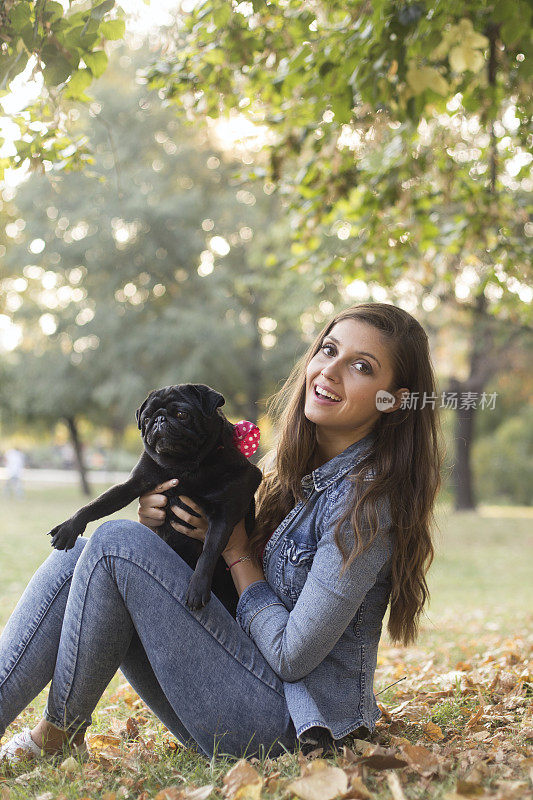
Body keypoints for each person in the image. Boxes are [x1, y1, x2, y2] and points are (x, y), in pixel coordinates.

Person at [0, 302, 443, 763]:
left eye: (361, 366)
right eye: (328, 350)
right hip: (232, 686)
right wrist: (162, 530)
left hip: (288, 726)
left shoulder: (365, 505)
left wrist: (236, 553)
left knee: (113, 545)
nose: (330, 371)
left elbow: (293, 656)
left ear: (392, 399)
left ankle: (56, 734)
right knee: (85, 553)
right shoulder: (287, 471)